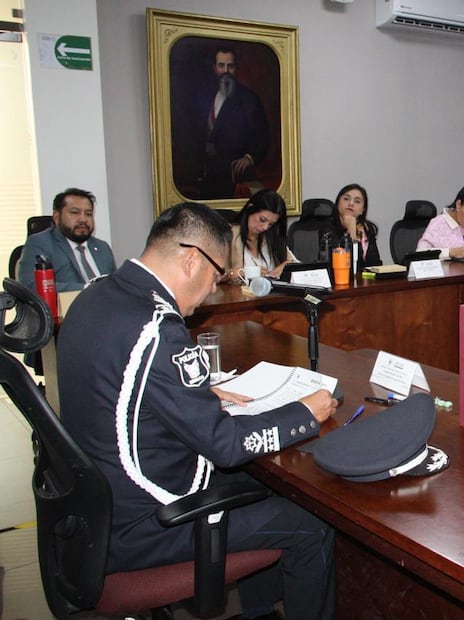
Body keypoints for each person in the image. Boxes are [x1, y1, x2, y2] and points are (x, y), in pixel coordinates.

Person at [57, 203, 338, 620]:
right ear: (192, 259)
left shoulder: (97, 294)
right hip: (146, 522)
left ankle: (259, 611)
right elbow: (224, 446)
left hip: (96, 509)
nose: (212, 288)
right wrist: (303, 412)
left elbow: (122, 386)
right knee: (312, 522)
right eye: (216, 273)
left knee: (270, 486)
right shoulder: (156, 326)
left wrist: (197, 395)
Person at [196, 47, 270, 200]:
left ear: (236, 68)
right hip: (208, 173)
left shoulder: (248, 98)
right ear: (215, 68)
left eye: (230, 66)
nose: (226, 70)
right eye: (221, 65)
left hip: (233, 173)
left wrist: (250, 157)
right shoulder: (207, 95)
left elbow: (262, 134)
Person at [19, 187, 117, 292]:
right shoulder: (40, 244)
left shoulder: (102, 247)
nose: (83, 219)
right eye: (75, 213)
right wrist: (87, 289)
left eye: (88, 214)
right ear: (56, 217)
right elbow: (31, 286)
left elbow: (116, 284)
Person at [229, 189, 297, 279]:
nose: (265, 227)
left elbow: (298, 265)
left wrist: (288, 266)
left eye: (271, 224)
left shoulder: (271, 236)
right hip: (239, 292)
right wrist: (243, 272)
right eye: (262, 220)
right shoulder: (229, 235)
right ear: (250, 209)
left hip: (274, 292)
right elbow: (217, 274)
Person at [322, 183, 382, 267]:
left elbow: (375, 264)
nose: (351, 203)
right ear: (338, 202)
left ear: (362, 210)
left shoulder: (366, 228)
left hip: (365, 279)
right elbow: (346, 264)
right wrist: (351, 229)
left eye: (357, 201)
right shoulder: (327, 227)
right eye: (346, 199)